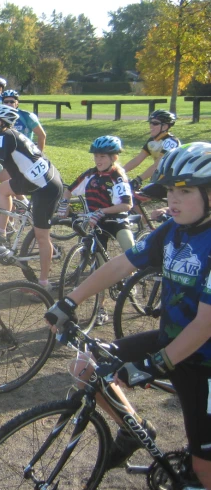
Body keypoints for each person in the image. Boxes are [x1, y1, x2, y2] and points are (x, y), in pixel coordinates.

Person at [45, 142, 211, 489]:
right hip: (171, 340)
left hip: (205, 360)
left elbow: (204, 325)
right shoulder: (172, 230)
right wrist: (70, 301)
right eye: (169, 190)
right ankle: (134, 428)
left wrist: (155, 364)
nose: (173, 199)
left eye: (185, 190)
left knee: (203, 470)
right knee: (86, 366)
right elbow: (121, 263)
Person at [0, 104, 62, 291]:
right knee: (4, 188)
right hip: (32, 179)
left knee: (42, 236)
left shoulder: (4, 136)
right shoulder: (7, 136)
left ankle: (43, 283)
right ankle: (2, 231)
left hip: (45, 186)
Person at [58, 135, 134, 325]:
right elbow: (69, 189)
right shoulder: (90, 174)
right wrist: (64, 204)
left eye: (103, 157)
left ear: (114, 158)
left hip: (116, 220)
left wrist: (102, 211)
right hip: (97, 223)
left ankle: (132, 278)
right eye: (96, 156)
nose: (98, 160)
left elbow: (126, 205)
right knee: (100, 269)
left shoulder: (118, 176)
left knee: (131, 249)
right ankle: (101, 309)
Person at [123, 110, 180, 192]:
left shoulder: (171, 142)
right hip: (160, 178)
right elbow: (138, 159)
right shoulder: (152, 141)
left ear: (165, 126)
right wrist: (120, 171)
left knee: (138, 197)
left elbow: (158, 165)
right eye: (150, 122)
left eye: (155, 123)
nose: (151, 126)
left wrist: (138, 179)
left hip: (174, 180)